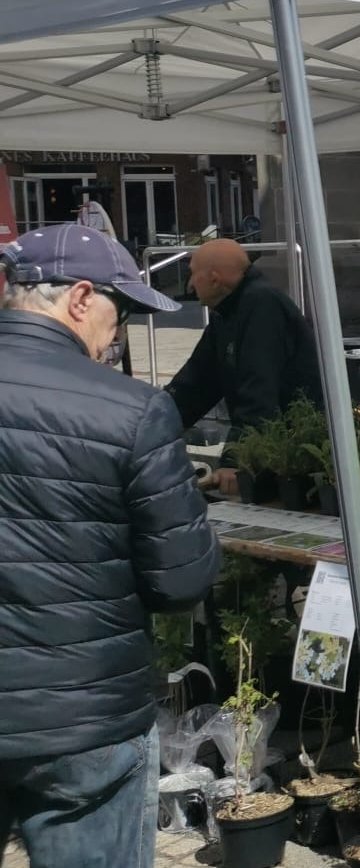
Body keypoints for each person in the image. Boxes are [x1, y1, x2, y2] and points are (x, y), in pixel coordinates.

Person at [0, 225, 221, 867]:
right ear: (80, 299)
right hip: (84, 716)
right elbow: (180, 583)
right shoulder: (131, 411)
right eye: (117, 314)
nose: (114, 334)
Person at [164, 238, 323, 496]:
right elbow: (196, 383)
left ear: (214, 279)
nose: (191, 283)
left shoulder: (262, 305)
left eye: (193, 273)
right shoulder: (227, 313)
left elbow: (260, 391)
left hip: (295, 451)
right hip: (275, 445)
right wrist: (153, 422)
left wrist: (235, 461)